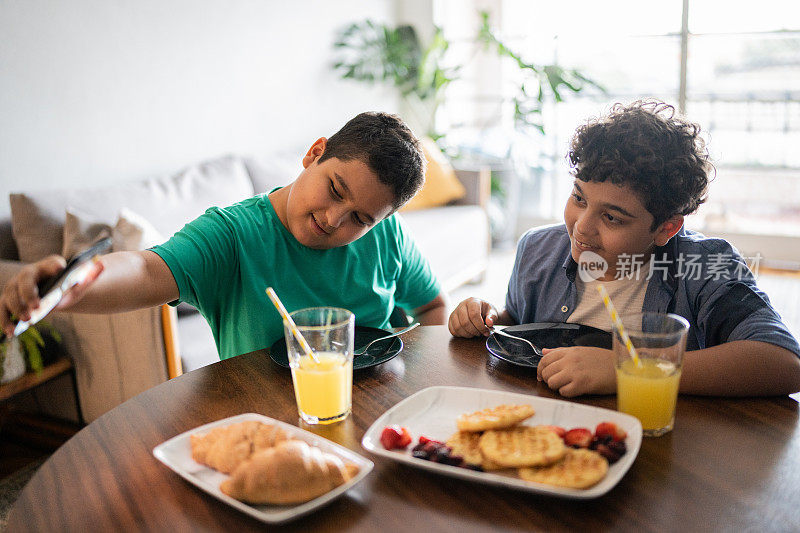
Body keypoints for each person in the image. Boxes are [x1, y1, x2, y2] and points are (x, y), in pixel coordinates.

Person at [1, 112, 448, 359]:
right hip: (267, 424)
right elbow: (144, 268)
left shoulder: (387, 235)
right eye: (335, 189)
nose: (334, 220)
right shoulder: (232, 235)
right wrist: (71, 285)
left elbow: (431, 306)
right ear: (315, 153)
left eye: (360, 219)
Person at [449, 100, 800, 397]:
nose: (582, 226)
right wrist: (488, 316)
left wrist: (629, 369)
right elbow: (519, 322)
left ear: (666, 228)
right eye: (578, 198)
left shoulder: (705, 266)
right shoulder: (538, 248)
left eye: (612, 217)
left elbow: (784, 362)